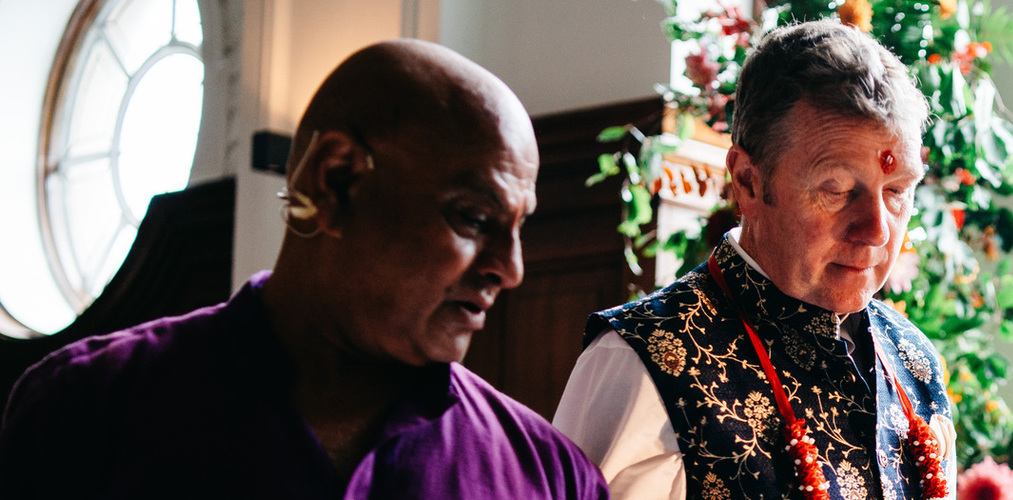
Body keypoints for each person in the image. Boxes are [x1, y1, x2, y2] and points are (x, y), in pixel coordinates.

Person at [0, 40, 607, 499]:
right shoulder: (85, 411)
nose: (510, 269)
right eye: (473, 217)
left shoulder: (553, 479)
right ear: (335, 180)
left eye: (518, 228)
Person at [552, 20, 957, 500]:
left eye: (897, 191)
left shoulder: (914, 362)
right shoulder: (641, 363)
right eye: (836, 189)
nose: (877, 229)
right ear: (747, 180)